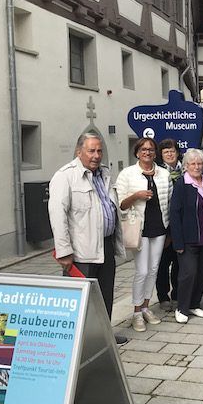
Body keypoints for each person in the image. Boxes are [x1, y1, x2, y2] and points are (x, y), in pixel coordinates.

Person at [48, 133, 126, 344]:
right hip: (81, 251)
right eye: (91, 150)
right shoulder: (65, 176)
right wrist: (64, 251)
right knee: (80, 301)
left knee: (104, 296)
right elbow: (58, 215)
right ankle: (76, 344)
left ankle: (103, 337)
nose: (96, 155)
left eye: (99, 151)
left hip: (105, 245)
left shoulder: (105, 174)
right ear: (79, 151)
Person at [115, 138, 172, 332]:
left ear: (155, 153)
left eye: (151, 149)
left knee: (154, 269)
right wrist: (136, 196)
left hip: (160, 227)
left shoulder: (164, 173)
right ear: (137, 152)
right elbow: (121, 205)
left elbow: (169, 202)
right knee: (142, 271)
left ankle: (146, 307)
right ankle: (136, 312)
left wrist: (169, 229)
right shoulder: (127, 174)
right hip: (139, 228)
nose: (147, 152)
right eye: (143, 149)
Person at [169, 149, 203, 323]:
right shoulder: (181, 185)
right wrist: (177, 241)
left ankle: (194, 304)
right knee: (188, 273)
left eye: (199, 163)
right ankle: (182, 307)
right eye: (193, 163)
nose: (197, 167)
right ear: (186, 166)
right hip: (188, 239)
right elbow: (175, 214)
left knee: (201, 273)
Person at [155, 139, 183, 311]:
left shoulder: (186, 169)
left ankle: (178, 293)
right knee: (163, 263)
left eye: (172, 151)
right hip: (164, 224)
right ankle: (163, 295)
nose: (170, 154)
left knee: (180, 261)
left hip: (182, 223)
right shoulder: (157, 172)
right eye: (166, 152)